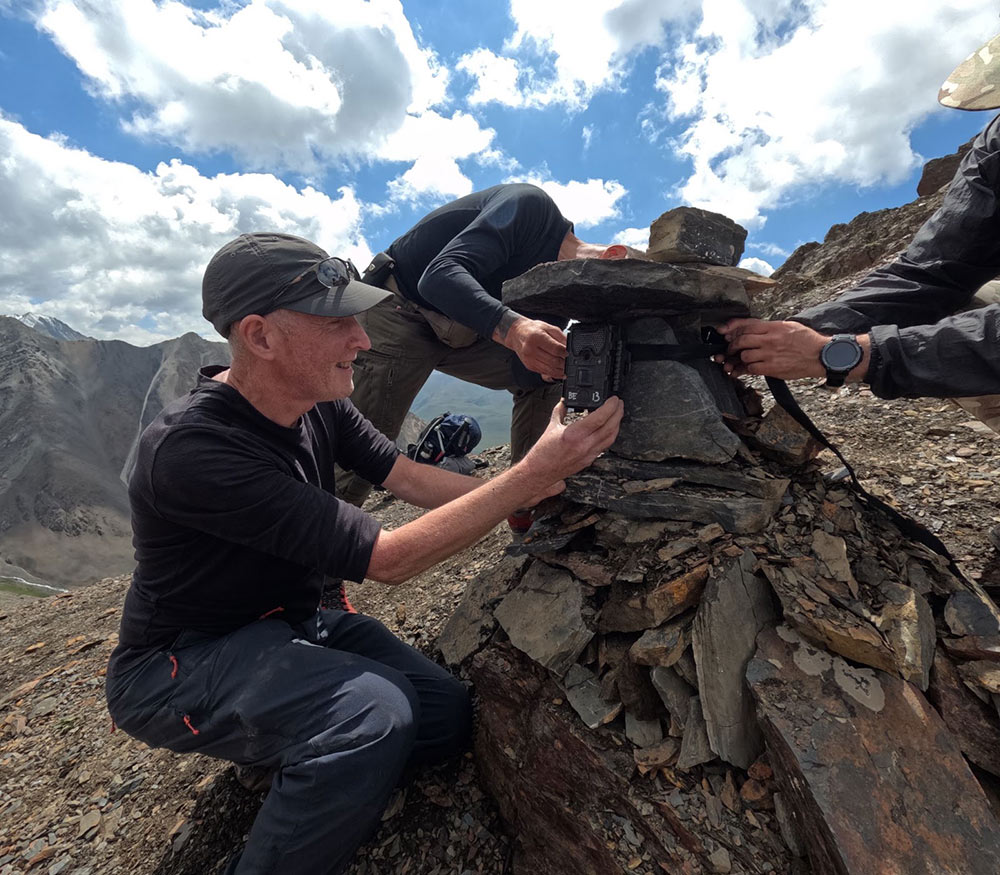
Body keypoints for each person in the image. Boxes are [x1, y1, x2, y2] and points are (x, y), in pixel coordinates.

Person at [104, 232, 623, 875]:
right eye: (337, 319)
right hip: (185, 656)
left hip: (301, 625)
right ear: (261, 336)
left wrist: (530, 488)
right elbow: (388, 559)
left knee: (442, 720)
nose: (364, 338)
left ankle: (292, 739)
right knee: (372, 717)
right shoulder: (192, 452)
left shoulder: (319, 404)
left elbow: (405, 475)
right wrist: (525, 477)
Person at [337, 182, 636, 518]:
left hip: (465, 332)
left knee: (545, 376)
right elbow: (437, 278)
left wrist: (549, 366)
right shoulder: (530, 208)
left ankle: (529, 505)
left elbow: (525, 371)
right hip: (403, 312)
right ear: (613, 254)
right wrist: (517, 329)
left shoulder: (559, 299)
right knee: (355, 458)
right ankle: (307, 557)